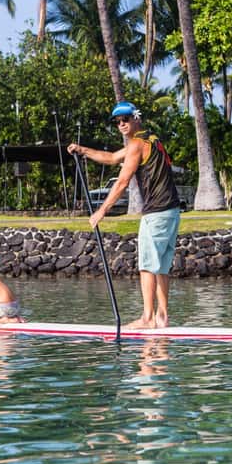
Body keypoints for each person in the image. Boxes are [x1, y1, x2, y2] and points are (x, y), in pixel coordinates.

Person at [68, 101, 181, 329]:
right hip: (172, 210)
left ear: (136, 118)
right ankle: (162, 317)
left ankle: (148, 318)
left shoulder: (137, 144)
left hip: (156, 212)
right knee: (161, 266)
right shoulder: (151, 138)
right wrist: (83, 150)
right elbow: (110, 158)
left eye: (125, 119)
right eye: (117, 121)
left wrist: (101, 210)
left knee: (147, 266)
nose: (121, 124)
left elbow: (122, 182)